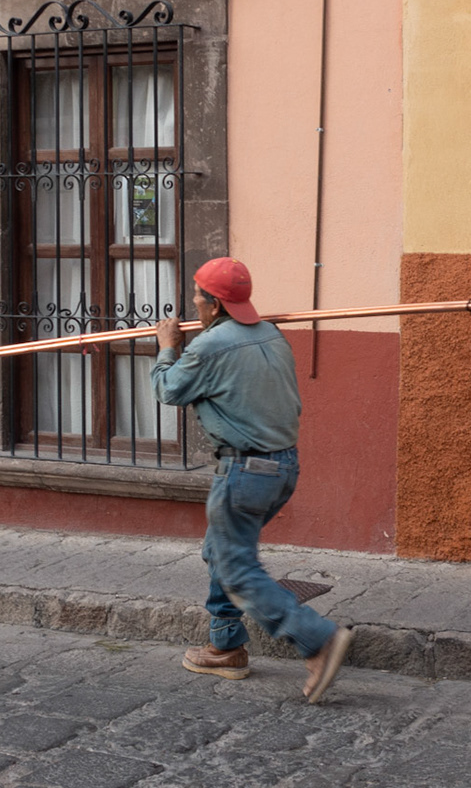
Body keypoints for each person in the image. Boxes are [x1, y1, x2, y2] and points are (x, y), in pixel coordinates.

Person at [151, 256, 354, 703]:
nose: (192, 301)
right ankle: (225, 646)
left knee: (238, 568)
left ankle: (316, 638)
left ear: (215, 303)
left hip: (246, 471)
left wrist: (168, 345)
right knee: (220, 551)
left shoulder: (211, 345)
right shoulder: (270, 333)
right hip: (283, 468)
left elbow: (168, 390)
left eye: (197, 294)